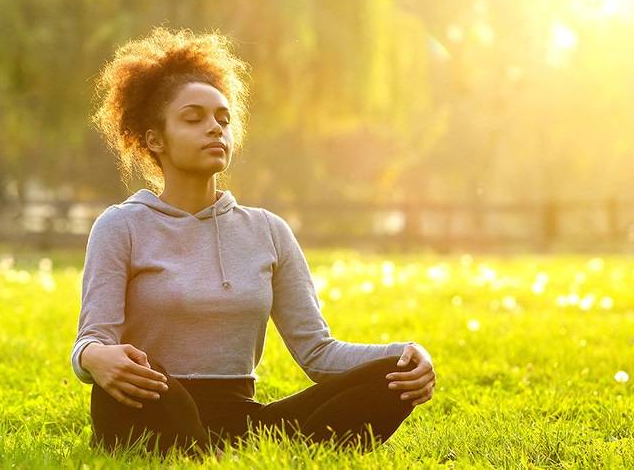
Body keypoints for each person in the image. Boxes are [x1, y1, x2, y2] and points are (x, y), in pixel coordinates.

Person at [70, 27, 436, 459]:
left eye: (222, 120)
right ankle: (203, 450)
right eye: (194, 118)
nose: (215, 129)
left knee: (394, 378)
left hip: (242, 419)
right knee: (142, 392)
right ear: (154, 139)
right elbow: (91, 340)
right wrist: (95, 359)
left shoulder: (267, 230)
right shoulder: (121, 226)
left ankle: (211, 452)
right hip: (152, 402)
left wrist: (409, 355)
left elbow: (318, 352)